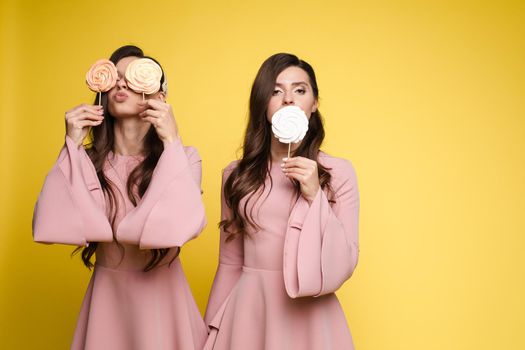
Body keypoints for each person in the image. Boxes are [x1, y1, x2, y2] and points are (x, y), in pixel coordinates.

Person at [32, 45, 207, 350]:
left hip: (163, 304)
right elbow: (50, 223)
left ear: (158, 96)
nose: (121, 83)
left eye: (134, 78)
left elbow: (179, 227)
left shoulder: (183, 157)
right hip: (107, 301)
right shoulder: (86, 162)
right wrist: (71, 145)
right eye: (115, 77)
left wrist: (171, 139)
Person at [203, 53, 360, 350]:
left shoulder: (339, 172)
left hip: (312, 316)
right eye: (276, 91)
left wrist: (314, 194)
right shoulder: (235, 176)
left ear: (313, 104)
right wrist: (210, 328)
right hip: (249, 313)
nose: (288, 99)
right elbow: (229, 262)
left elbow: (347, 259)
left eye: (299, 90)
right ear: (263, 103)